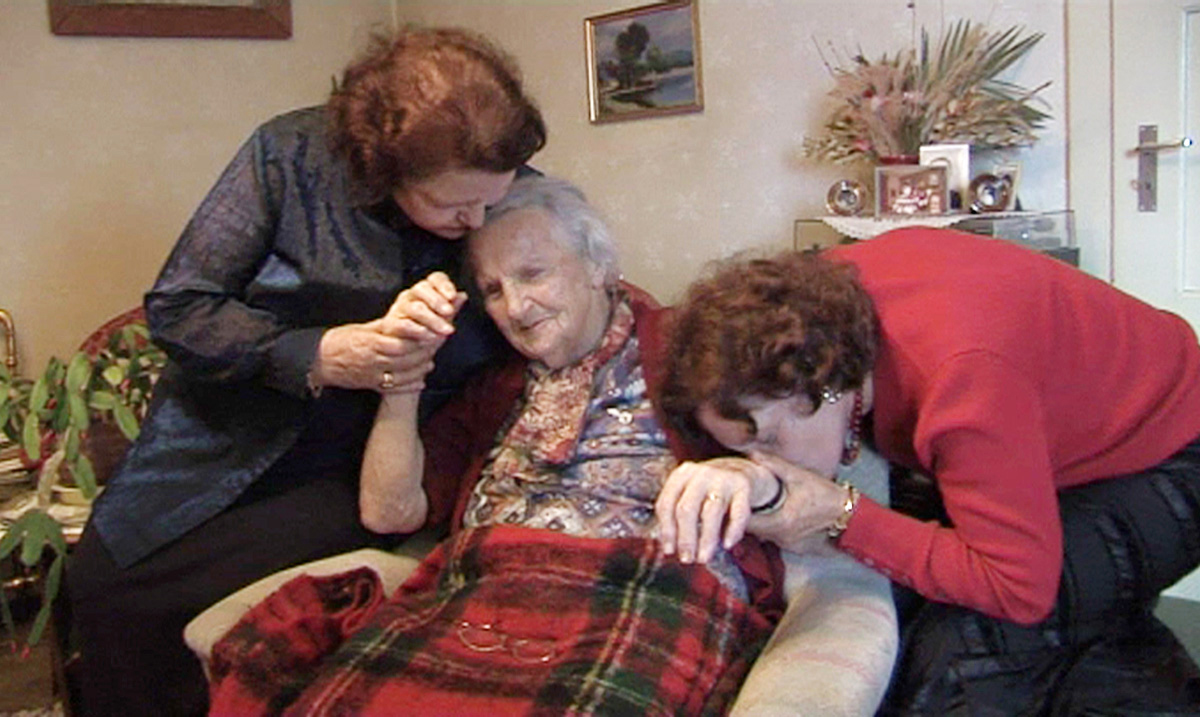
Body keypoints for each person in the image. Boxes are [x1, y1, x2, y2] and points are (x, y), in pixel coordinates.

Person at [205, 175, 899, 716]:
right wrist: (402, 376)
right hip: (485, 593)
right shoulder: (491, 387)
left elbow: (812, 430)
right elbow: (389, 514)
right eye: (493, 289)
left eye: (533, 274)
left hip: (645, 591)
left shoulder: (686, 346)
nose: (514, 306)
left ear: (599, 265)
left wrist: (747, 479)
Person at [65, 26, 546, 717]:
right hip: (228, 433)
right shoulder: (287, 157)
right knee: (103, 579)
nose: (475, 220)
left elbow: (557, 308)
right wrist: (318, 354)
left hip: (375, 462)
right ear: (386, 168)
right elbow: (180, 307)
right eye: (451, 205)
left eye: (490, 202)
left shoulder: (514, 189)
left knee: (174, 599)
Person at [657, 226, 1200, 715]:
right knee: (945, 611)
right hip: (1051, 439)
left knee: (955, 656)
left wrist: (843, 514)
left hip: (1171, 451)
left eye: (769, 441)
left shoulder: (960, 384)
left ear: (823, 385)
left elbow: (1017, 586)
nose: (764, 461)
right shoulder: (805, 309)